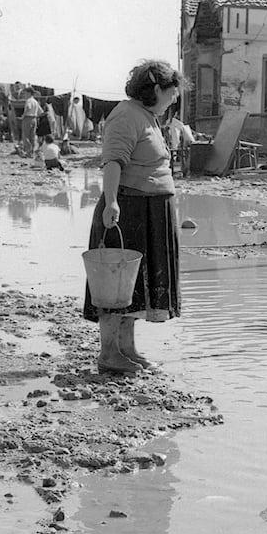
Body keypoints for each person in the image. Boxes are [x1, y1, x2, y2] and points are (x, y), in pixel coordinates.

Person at [82, 60, 183, 374]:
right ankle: (109, 354)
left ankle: (128, 350)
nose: (174, 100)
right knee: (115, 284)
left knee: (134, 288)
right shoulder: (126, 116)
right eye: (172, 94)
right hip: (129, 208)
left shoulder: (148, 117)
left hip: (149, 210)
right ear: (155, 89)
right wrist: (112, 202)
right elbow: (113, 162)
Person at [19, 87, 41, 158]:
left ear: (28, 93)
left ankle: (28, 151)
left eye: (25, 93)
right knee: (32, 136)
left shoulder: (29, 101)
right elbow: (41, 111)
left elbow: (28, 107)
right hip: (34, 118)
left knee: (25, 136)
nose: (24, 95)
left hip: (28, 118)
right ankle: (32, 152)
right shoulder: (35, 101)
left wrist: (23, 115)